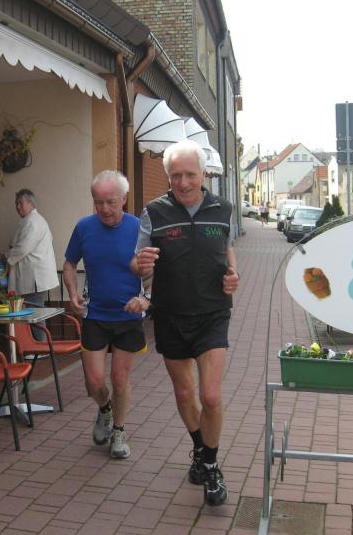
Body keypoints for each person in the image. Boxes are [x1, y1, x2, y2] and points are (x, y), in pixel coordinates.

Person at [131, 140, 239, 506]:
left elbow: (227, 247)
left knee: (210, 395)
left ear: (204, 174)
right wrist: (139, 266)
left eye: (190, 174)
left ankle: (211, 466)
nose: (183, 182)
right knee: (184, 394)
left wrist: (234, 274)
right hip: (170, 315)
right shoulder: (154, 212)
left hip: (212, 313)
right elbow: (137, 262)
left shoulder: (223, 209)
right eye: (176, 175)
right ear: (168, 176)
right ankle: (201, 450)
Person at [63, 171, 149, 459]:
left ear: (124, 199)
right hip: (95, 315)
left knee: (119, 379)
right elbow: (69, 264)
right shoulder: (84, 227)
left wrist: (145, 299)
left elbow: (155, 270)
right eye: (98, 202)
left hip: (127, 317)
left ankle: (119, 432)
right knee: (94, 381)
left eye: (110, 202)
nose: (104, 209)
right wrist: (72, 293)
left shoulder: (139, 228)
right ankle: (104, 409)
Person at [4, 189, 59, 308]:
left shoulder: (33, 221)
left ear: (30, 203)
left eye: (20, 203)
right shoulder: (30, 220)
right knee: (32, 311)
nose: (18, 207)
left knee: (34, 312)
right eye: (16, 204)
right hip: (32, 277)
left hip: (34, 278)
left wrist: (7, 256)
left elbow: (23, 248)